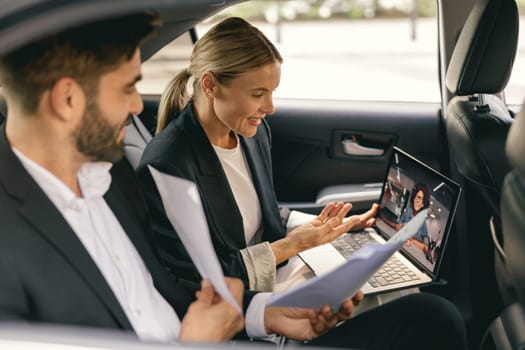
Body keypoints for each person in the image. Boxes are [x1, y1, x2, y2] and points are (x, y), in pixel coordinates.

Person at [0, 12, 468, 350]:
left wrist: (265, 313)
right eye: (127, 89)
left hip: (251, 318)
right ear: (66, 100)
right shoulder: (21, 243)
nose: (136, 106)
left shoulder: (111, 182)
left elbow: (174, 290)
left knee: (432, 313)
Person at [137, 16, 378, 292]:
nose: (270, 107)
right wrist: (293, 245)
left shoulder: (253, 134)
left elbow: (262, 217)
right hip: (245, 298)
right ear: (210, 85)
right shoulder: (168, 164)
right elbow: (199, 279)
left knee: (376, 274)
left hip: (280, 271)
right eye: (257, 94)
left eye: (272, 92)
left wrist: (329, 227)